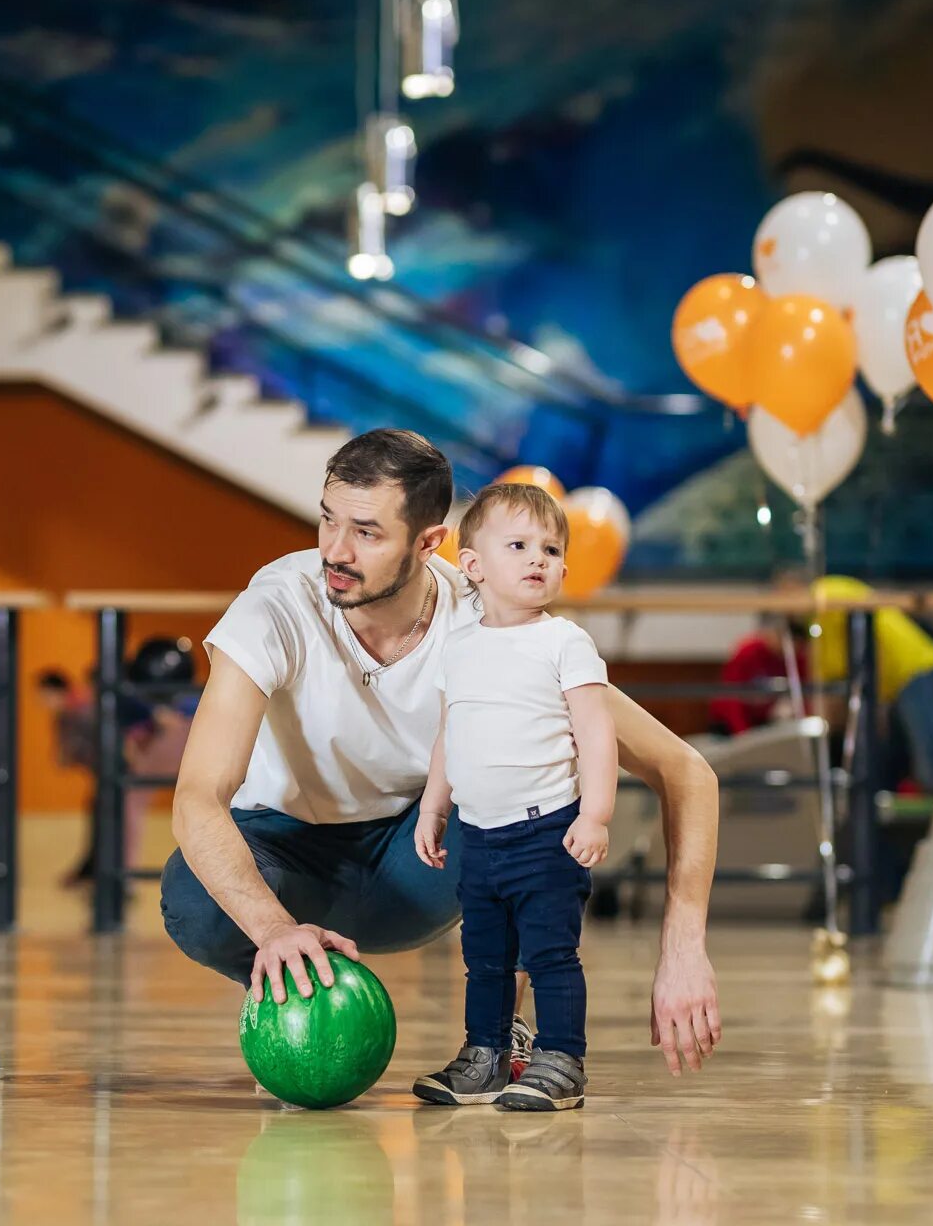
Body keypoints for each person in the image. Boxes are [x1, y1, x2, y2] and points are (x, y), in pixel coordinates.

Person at [159, 429, 723, 1077]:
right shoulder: (275, 608)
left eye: (367, 533)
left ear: (429, 544)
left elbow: (685, 770)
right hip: (285, 855)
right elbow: (197, 798)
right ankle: (291, 985)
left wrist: (683, 947)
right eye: (328, 520)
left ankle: (502, 1031)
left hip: (420, 865)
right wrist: (272, 929)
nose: (335, 551)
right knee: (192, 896)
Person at [407, 483, 614, 1111]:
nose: (538, 559)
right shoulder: (460, 645)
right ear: (473, 566)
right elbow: (452, 731)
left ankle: (561, 1058)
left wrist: (596, 813)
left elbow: (596, 733)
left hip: (546, 830)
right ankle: (486, 1055)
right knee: (485, 958)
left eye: (551, 549)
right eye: (519, 545)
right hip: (480, 832)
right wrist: (432, 806)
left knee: (550, 954)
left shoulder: (563, 642)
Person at [809, 575, 933, 793]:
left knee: (932, 763)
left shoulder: (825, 594)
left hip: (916, 670)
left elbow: (832, 673)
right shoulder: (824, 606)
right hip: (901, 679)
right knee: (921, 762)